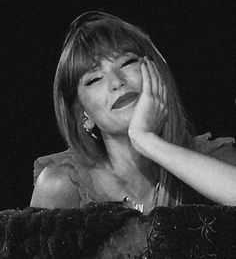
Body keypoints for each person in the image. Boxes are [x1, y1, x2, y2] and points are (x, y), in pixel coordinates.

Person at [30, 11, 236, 214]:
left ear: (157, 72)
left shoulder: (212, 159)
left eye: (127, 63)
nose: (117, 82)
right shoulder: (61, 185)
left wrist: (146, 140)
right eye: (94, 79)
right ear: (84, 115)